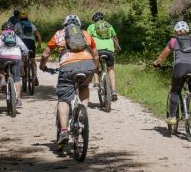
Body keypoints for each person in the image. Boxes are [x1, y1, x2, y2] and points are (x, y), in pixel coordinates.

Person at [39, 14, 98, 146]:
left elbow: (45, 53)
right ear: (79, 24)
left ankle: (64, 131)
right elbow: (95, 54)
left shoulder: (59, 34)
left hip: (68, 67)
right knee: (83, 87)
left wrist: (42, 65)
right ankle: (83, 114)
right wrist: (94, 68)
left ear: (64, 24)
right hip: (88, 66)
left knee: (64, 99)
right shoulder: (85, 34)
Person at [153, 21, 191, 125]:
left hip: (180, 68)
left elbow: (162, 56)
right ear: (187, 30)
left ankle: (172, 117)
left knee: (175, 91)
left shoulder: (173, 41)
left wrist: (156, 64)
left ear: (175, 31)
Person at [0, 22, 28, 108]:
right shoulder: (16, 37)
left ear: (3, 30)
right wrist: (24, 55)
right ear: (13, 30)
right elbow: (25, 49)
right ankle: (18, 100)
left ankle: (2, 80)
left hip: (3, 57)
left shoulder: (1, 37)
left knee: (0, 68)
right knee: (17, 79)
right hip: (16, 57)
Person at [86, 11, 121, 101]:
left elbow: (87, 39)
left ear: (94, 20)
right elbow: (115, 38)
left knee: (95, 64)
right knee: (111, 69)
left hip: (97, 50)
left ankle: (97, 82)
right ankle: (113, 90)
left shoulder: (91, 26)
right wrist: (116, 48)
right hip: (109, 50)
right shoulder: (109, 25)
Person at [14, 11, 42, 86]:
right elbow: (38, 35)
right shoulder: (31, 25)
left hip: (22, 42)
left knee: (22, 59)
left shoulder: (17, 24)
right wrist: (39, 44)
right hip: (31, 42)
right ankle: (35, 77)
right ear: (27, 18)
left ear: (19, 18)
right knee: (33, 61)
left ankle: (23, 74)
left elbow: (13, 34)